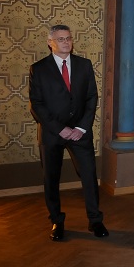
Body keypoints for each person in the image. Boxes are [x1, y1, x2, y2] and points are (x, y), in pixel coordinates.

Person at [29, 24, 108, 241]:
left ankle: (95, 220)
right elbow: (36, 104)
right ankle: (57, 220)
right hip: (52, 133)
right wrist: (59, 128)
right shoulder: (39, 69)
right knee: (51, 178)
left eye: (69, 38)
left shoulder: (84, 65)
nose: (66, 42)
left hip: (80, 132)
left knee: (89, 175)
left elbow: (91, 97)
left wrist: (81, 128)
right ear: (50, 43)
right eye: (61, 39)